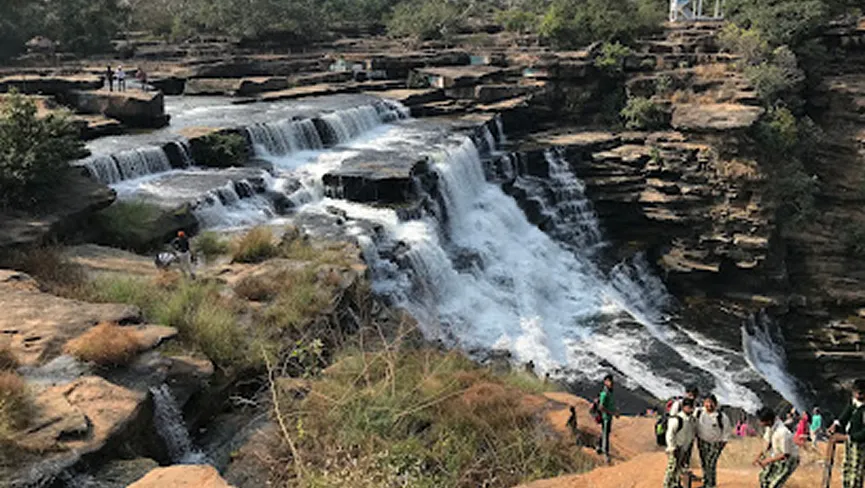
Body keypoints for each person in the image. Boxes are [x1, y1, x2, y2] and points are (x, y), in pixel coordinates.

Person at [828, 379, 865, 488]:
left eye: (859, 393)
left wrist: (845, 437)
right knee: (846, 468)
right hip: (850, 442)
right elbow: (846, 413)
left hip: (860, 445)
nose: (856, 395)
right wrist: (836, 424)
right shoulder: (854, 402)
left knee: (856, 471)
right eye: (855, 392)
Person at [754, 406, 799, 488]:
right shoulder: (770, 427)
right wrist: (760, 456)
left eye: (761, 421)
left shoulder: (783, 432)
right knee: (763, 478)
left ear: (769, 421)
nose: (759, 423)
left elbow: (786, 455)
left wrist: (767, 461)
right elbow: (768, 443)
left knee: (774, 485)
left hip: (789, 460)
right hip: (777, 456)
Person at [696, 394, 732, 488]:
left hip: (715, 444)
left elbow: (727, 431)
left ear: (715, 404)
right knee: (704, 463)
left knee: (711, 464)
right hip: (702, 442)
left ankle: (710, 484)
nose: (709, 405)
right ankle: (707, 482)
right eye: (707, 402)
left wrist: (722, 444)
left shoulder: (721, 416)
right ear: (704, 403)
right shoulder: (699, 413)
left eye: (711, 402)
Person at [663, 397, 697, 488]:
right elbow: (670, 434)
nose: (689, 408)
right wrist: (671, 447)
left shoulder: (692, 420)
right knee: (672, 468)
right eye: (687, 406)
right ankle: (667, 485)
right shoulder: (677, 419)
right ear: (683, 407)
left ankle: (675, 484)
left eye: (691, 406)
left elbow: (692, 433)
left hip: (685, 447)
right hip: (676, 447)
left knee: (681, 468)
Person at [596, 374, 619, 464]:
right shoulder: (604, 393)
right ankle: (606, 453)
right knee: (606, 434)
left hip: (609, 416)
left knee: (605, 432)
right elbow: (601, 407)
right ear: (605, 382)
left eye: (612, 381)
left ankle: (599, 446)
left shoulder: (610, 392)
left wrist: (615, 411)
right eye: (609, 381)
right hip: (605, 417)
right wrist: (611, 412)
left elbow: (611, 404)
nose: (611, 383)